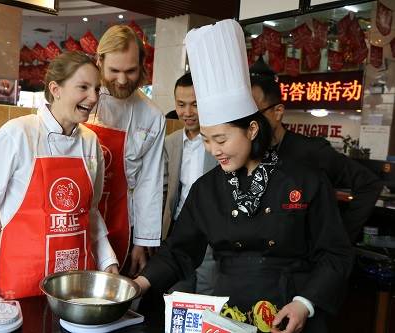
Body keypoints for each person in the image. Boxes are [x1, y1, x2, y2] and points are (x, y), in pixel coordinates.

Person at [135, 19, 353, 333]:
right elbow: (179, 250)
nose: (213, 150)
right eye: (207, 140)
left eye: (221, 140)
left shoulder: (304, 181)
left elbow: (335, 254)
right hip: (229, 313)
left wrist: (305, 302)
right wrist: (138, 285)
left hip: (290, 309)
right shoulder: (207, 189)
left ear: (252, 130)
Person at [0, 51, 118, 301]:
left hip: (75, 282)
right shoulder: (18, 133)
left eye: (97, 89)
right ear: (55, 89)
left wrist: (107, 260)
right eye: (83, 87)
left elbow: (91, 211)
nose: (93, 97)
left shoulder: (90, 141)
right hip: (22, 280)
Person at [250, 75, 382, 242]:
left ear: (278, 112)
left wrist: (340, 239)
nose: (250, 123)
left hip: (305, 261)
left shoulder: (311, 151)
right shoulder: (247, 154)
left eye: (256, 114)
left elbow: (369, 185)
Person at [85, 25, 165, 277]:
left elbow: (149, 182)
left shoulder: (151, 116)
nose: (122, 80)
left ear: (142, 64)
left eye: (130, 71)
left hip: (122, 222)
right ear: (99, 62)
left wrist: (143, 240)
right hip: (77, 218)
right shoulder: (82, 100)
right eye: (114, 71)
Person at [162, 72, 217, 294]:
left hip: (211, 232)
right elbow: (165, 191)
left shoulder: (219, 142)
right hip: (178, 230)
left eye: (195, 105)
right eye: (181, 104)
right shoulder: (170, 142)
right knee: (176, 294)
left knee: (208, 292)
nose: (187, 112)